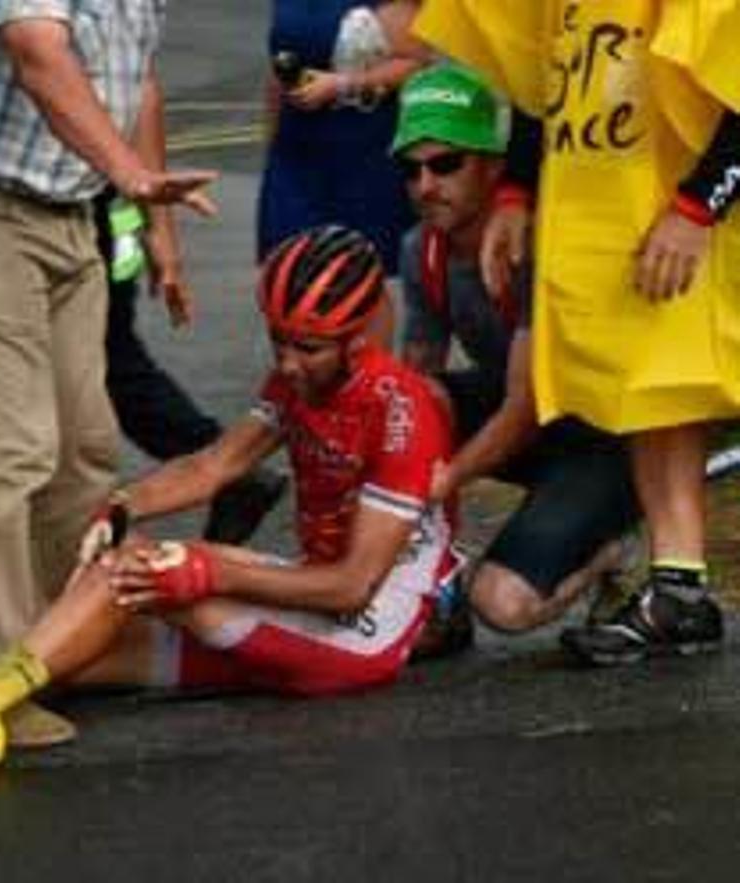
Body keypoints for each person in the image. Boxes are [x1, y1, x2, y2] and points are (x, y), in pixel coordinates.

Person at [0, 225, 461, 769]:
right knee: (75, 653)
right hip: (314, 597)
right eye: (278, 340)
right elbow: (215, 464)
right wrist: (122, 504)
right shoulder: (299, 378)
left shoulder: (403, 410)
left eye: (308, 347)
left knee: (136, 572)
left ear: (357, 340)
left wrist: (206, 569)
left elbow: (352, 586)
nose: (289, 363)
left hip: (362, 630)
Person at [0, 0, 216, 747]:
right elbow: (38, 53)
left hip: (63, 209)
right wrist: (129, 175)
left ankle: (58, 648)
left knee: (85, 445)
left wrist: (160, 230)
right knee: (17, 444)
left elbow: (140, 84)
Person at [413, 1, 740, 666]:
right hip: (598, 216)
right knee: (636, 391)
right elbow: (544, 85)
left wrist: (697, 207)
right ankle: (675, 592)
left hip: (664, 216)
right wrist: (513, 195)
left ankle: (678, 586)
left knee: (664, 394)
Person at [392, 64, 639, 646]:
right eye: (412, 168)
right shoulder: (419, 250)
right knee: (411, 405)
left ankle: (613, 548)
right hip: (532, 427)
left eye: (446, 164)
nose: (426, 185)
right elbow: (408, 393)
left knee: (502, 604)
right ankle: (431, 584)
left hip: (604, 440)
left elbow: (524, 406)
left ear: (495, 165)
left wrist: (442, 479)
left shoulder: (540, 245)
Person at [94, 191, 287, 545]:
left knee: (113, 368)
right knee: (115, 367)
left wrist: (159, 232)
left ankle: (237, 475)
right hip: (104, 222)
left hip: (93, 224)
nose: (289, 364)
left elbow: (144, 138)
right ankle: (236, 474)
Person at [257, 0, 430, 266]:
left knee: (355, 272)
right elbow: (277, 65)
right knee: (291, 266)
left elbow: (414, 63)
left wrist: (344, 85)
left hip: (363, 156)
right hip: (295, 153)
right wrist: (271, 146)